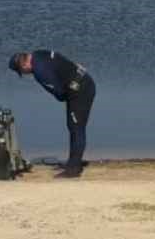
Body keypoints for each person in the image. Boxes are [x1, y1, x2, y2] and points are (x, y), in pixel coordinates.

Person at [8, 50, 95, 178]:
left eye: (22, 71)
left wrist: (66, 92)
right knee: (73, 127)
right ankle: (72, 162)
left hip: (81, 90)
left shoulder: (40, 71)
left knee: (77, 128)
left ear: (24, 65)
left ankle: (74, 169)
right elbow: (62, 62)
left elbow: (60, 94)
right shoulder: (39, 53)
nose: (25, 74)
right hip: (82, 81)